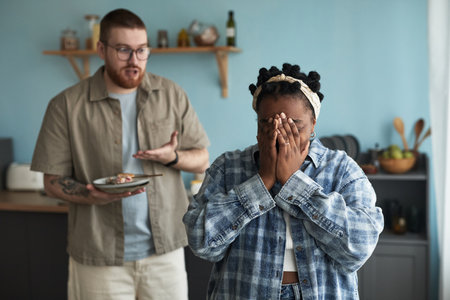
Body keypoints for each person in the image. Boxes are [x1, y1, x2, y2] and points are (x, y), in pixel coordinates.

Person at [31, 8, 209, 300]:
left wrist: (172, 158)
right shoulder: (65, 105)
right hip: (99, 257)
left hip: (165, 253)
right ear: (101, 49)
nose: (134, 61)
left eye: (141, 51)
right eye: (124, 50)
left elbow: (201, 158)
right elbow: (51, 181)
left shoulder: (171, 94)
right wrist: (92, 195)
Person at [183, 63, 384, 300]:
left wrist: (293, 182)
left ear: (313, 126)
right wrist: (263, 180)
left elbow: (359, 247)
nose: (279, 133)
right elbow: (201, 243)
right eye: (267, 123)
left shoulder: (342, 169)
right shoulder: (228, 167)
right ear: (257, 125)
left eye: (293, 125)